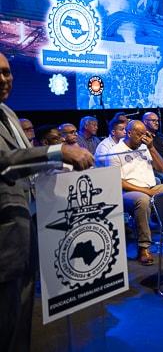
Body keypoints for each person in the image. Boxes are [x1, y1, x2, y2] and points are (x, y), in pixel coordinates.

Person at [0, 53, 94, 352]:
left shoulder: (7, 112)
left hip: (25, 226)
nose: (4, 79)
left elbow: (24, 164)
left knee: (20, 313)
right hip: (3, 236)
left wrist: (54, 168)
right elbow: (5, 162)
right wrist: (57, 152)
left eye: (7, 72)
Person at [107, 120, 163, 265]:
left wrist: (151, 148)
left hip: (151, 187)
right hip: (128, 192)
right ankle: (143, 247)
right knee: (143, 200)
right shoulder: (115, 152)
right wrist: (144, 191)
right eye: (139, 134)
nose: (143, 137)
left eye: (144, 134)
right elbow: (118, 181)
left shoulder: (145, 147)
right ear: (129, 132)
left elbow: (161, 168)